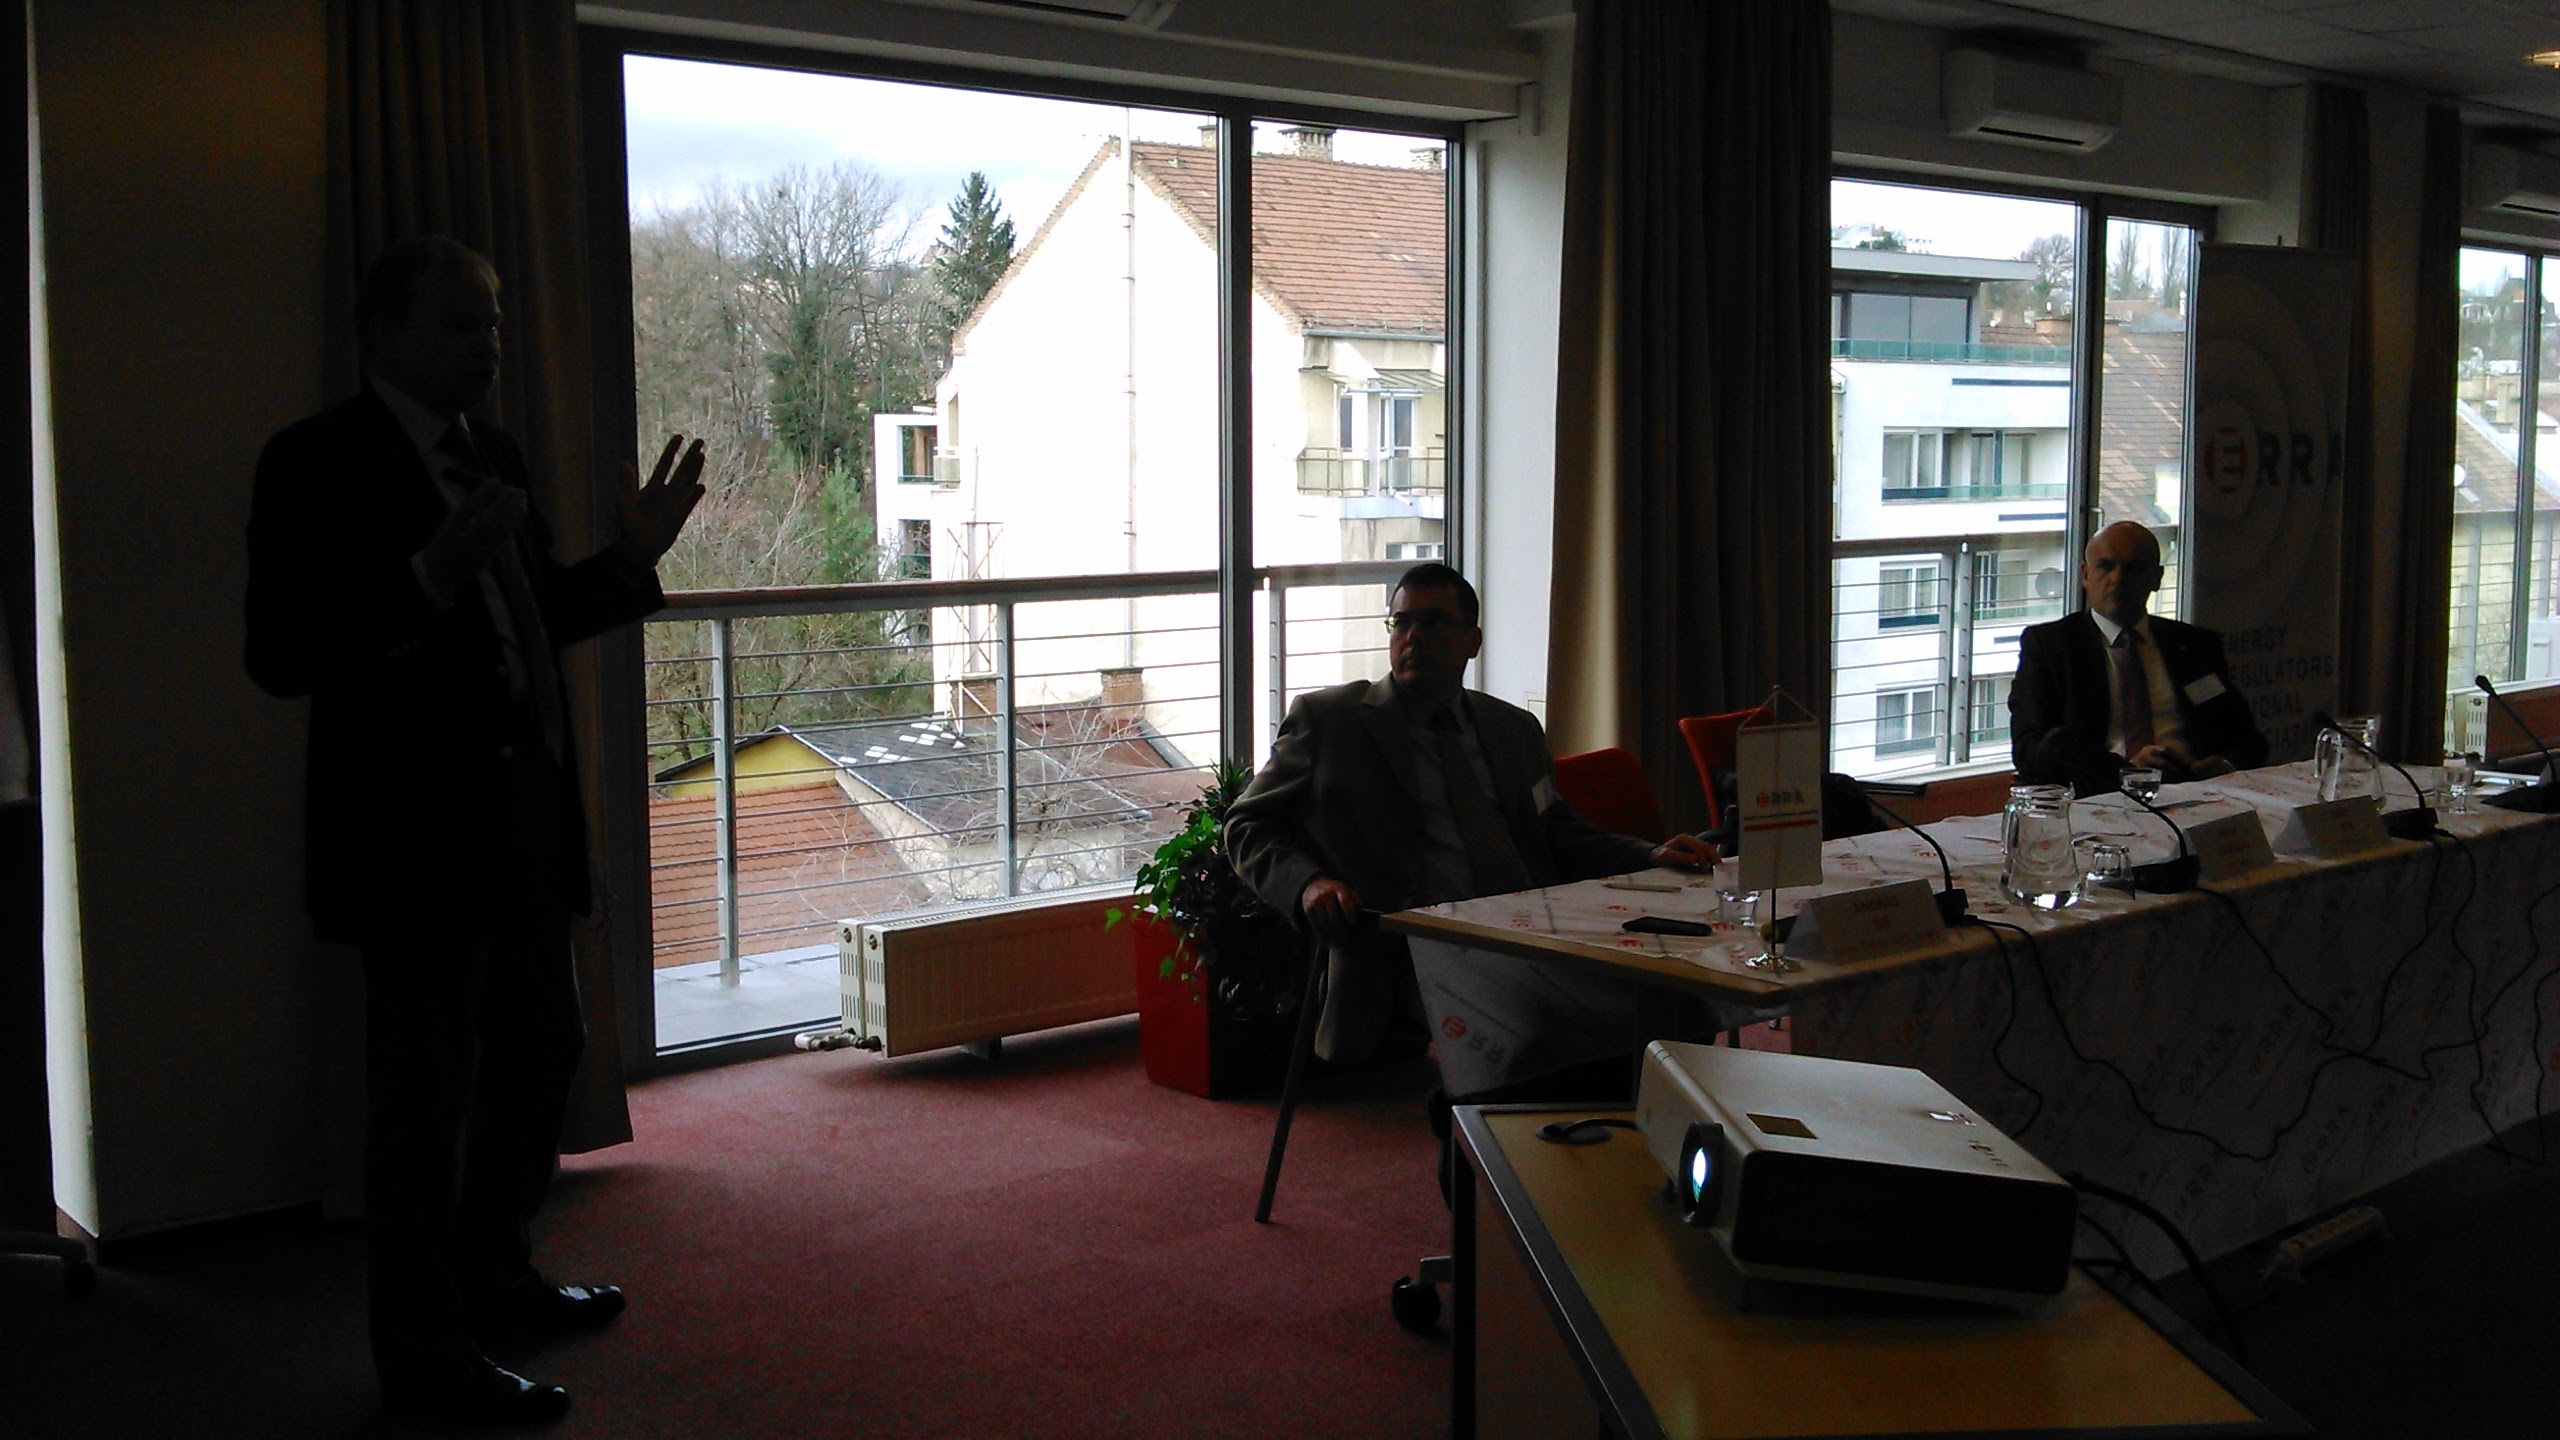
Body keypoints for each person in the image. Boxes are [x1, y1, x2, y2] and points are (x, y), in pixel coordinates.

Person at [244, 236, 705, 1425]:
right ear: (383, 333)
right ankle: (423, 1355)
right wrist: (424, 578)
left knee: (541, 1052)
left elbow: (537, 614)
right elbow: (280, 655)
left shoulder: (490, 453)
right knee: (421, 1106)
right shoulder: (314, 462)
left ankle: (495, 1276)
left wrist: (632, 558)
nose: (488, 345)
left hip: (523, 818)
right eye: (460, 325)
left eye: (493, 322)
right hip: (406, 839)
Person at [1224, 563, 1718, 1097]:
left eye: (1434, 622)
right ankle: (1493, 1130)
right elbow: (1247, 823)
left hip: (1532, 929)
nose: (1414, 637)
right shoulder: (1330, 721)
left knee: (1677, 1005)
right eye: (1401, 622)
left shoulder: (1512, 729)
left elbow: (1555, 830)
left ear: (1473, 641)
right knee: (1542, 1031)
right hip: (1413, 946)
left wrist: (1649, 854)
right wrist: (1307, 885)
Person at [2010, 521, 2267, 798]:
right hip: (2100, 796)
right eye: (2105, 566)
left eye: (2134, 568)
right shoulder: (2050, 646)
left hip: (2195, 793)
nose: (2118, 579)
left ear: (2157, 578)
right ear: (2085, 575)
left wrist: (2224, 765)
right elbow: (2029, 748)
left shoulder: (2195, 645)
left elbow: (2249, 740)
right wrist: (2128, 772)